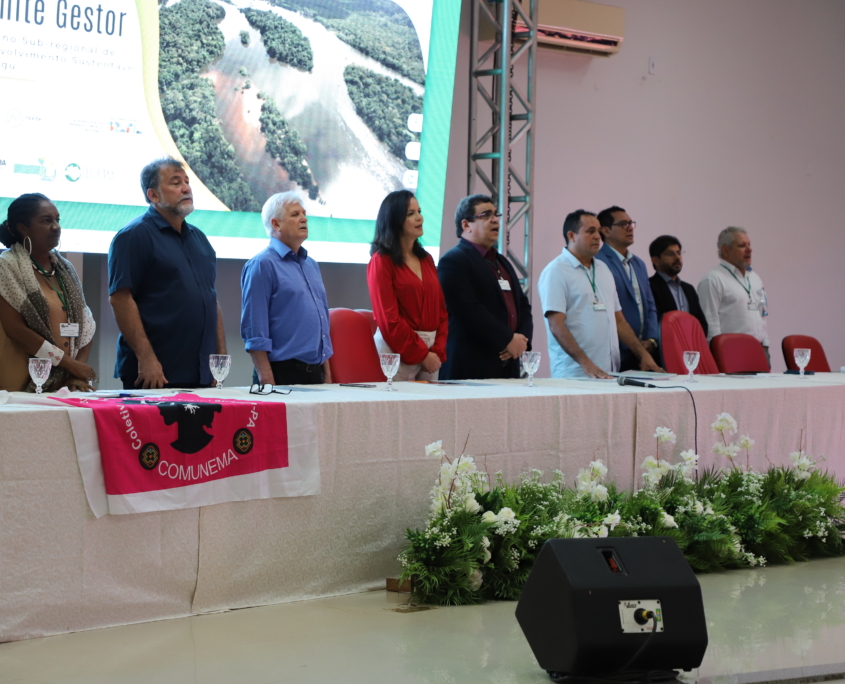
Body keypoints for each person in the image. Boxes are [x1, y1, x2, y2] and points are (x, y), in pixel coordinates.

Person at [108, 158, 226, 390]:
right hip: (156, 372)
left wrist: (219, 357)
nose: (186, 188)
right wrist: (147, 359)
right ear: (153, 195)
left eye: (187, 182)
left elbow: (211, 298)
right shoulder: (134, 236)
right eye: (175, 183)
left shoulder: (200, 239)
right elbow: (120, 298)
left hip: (202, 371)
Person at [538, 210, 661, 379]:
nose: (598, 236)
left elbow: (619, 321)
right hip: (575, 373)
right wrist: (586, 364)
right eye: (590, 231)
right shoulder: (556, 271)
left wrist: (643, 355)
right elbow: (556, 325)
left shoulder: (603, 269)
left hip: (610, 371)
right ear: (572, 236)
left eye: (598, 230)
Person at [0, 193, 97, 392]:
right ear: (23, 228)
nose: (56, 227)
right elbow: (15, 330)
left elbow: (87, 325)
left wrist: (75, 373)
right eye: (46, 221)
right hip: (21, 379)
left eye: (57, 220)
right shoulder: (7, 266)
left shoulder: (65, 268)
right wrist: (69, 364)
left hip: (65, 380)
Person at [240, 191, 333, 385]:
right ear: (276, 224)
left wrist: (327, 375)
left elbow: (322, 326)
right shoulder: (261, 265)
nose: (304, 219)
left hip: (316, 374)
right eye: (295, 214)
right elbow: (255, 330)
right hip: (280, 374)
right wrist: (267, 381)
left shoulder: (311, 265)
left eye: (304, 213)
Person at [437, 194, 532, 379]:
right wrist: (507, 339)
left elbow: (523, 306)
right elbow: (468, 310)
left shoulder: (501, 261)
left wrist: (521, 341)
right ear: (466, 225)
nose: (495, 220)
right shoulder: (454, 261)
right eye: (486, 215)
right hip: (471, 365)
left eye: (496, 214)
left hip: (508, 363)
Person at [367, 190, 447, 381]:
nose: (419, 218)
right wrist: (422, 354)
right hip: (395, 350)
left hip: (431, 352)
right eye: (411, 214)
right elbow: (389, 319)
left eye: (419, 211)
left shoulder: (427, 259)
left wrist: (437, 350)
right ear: (394, 220)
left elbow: (441, 312)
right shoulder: (381, 260)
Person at [596, 206, 659, 371]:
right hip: (616, 352)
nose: (630, 228)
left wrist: (651, 339)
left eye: (631, 223)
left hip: (644, 351)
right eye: (624, 224)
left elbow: (650, 306)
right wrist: (632, 345)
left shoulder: (639, 264)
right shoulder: (598, 263)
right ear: (605, 231)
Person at [697, 226, 769, 361]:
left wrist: (765, 344)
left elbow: (762, 314)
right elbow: (710, 324)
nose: (749, 249)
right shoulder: (713, 279)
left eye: (749, 244)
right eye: (742, 245)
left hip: (759, 351)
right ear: (725, 250)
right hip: (730, 353)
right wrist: (718, 356)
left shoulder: (755, 278)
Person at [648, 235, 708, 335]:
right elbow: (652, 322)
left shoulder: (689, 289)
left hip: (691, 343)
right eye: (670, 254)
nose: (677, 257)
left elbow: (702, 323)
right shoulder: (649, 286)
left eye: (679, 253)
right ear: (656, 260)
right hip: (664, 343)